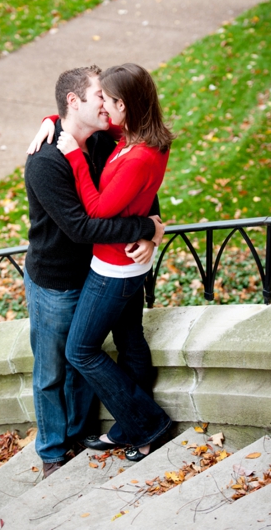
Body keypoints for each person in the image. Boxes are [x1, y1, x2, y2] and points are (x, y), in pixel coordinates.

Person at [23, 65, 165, 478]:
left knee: (84, 358)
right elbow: (82, 227)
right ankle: (51, 451)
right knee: (51, 370)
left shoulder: (104, 141)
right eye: (99, 96)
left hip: (96, 272)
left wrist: (154, 229)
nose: (107, 103)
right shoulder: (46, 162)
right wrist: (145, 228)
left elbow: (142, 186)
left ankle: (82, 433)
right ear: (74, 102)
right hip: (54, 281)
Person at [56, 63, 174, 460]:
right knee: (130, 341)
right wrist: (51, 120)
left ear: (124, 104)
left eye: (106, 99)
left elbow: (97, 212)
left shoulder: (138, 156)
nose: (102, 105)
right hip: (130, 263)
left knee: (80, 350)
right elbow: (76, 115)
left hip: (114, 269)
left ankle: (146, 423)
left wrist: (73, 156)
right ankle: (131, 428)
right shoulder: (142, 136)